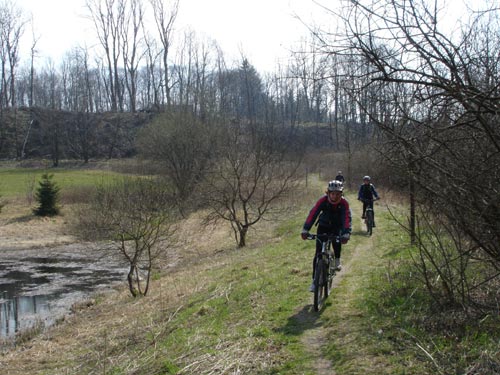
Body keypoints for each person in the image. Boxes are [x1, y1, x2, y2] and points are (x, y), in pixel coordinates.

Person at [301, 180, 352, 292]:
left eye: (337, 194)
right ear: (328, 193)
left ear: (341, 194)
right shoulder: (323, 201)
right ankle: (315, 281)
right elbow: (313, 213)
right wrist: (306, 229)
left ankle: (337, 260)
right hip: (323, 226)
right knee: (318, 254)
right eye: (332, 193)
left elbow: (346, 218)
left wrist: (346, 233)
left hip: (337, 227)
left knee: (337, 241)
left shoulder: (344, 203)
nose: (334, 196)